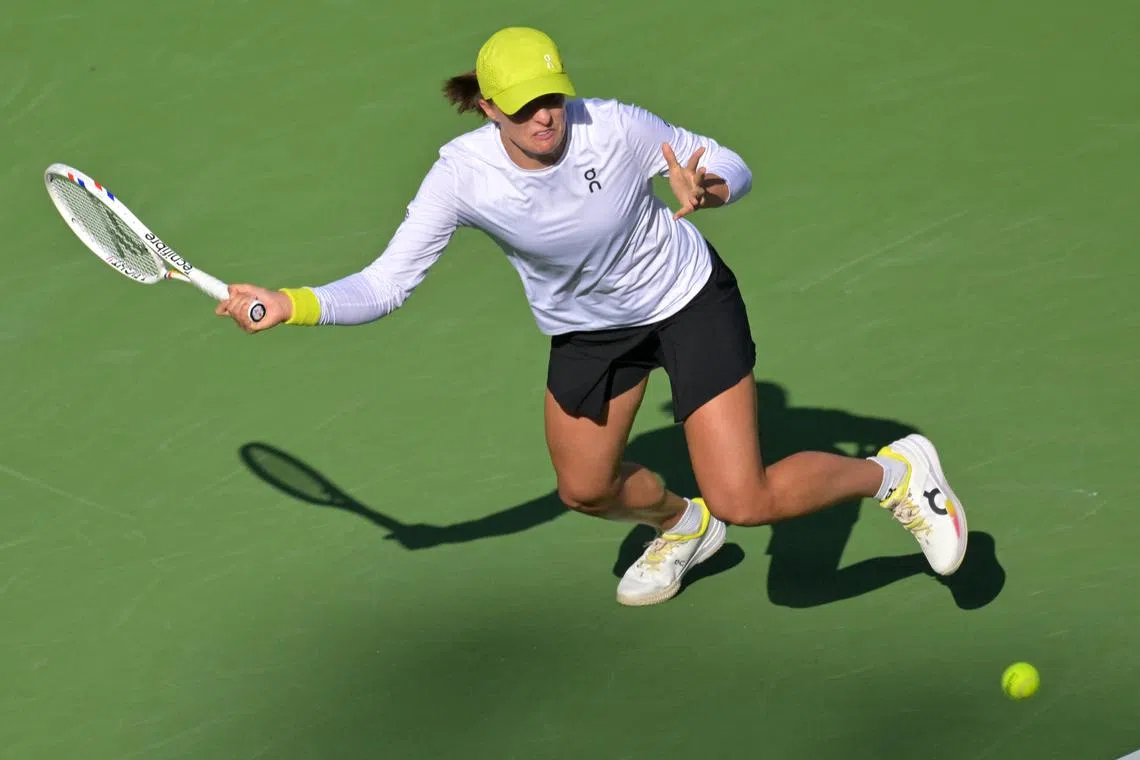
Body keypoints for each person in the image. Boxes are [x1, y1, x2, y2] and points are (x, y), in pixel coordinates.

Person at [216, 26, 968, 607]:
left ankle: (894, 475)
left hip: (684, 300)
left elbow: (729, 161)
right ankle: (683, 525)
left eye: (551, 97)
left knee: (744, 499)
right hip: (589, 331)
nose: (545, 116)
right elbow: (386, 284)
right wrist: (291, 304)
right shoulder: (461, 176)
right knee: (584, 490)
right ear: (487, 108)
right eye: (522, 107)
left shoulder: (613, 127)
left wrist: (710, 188)